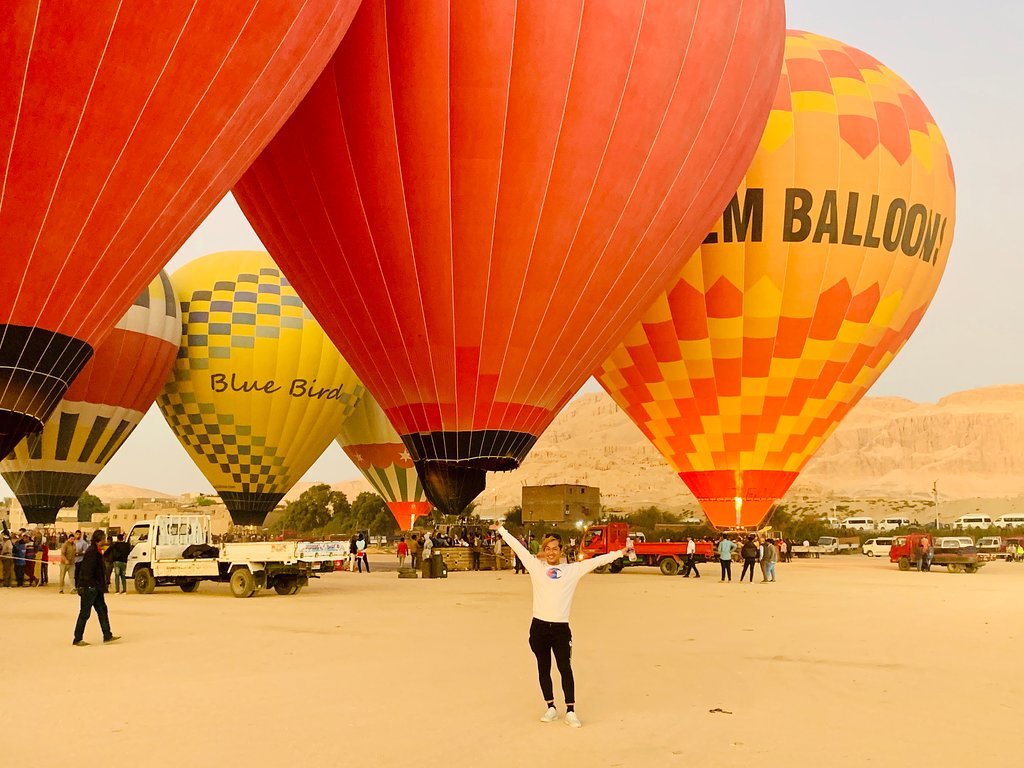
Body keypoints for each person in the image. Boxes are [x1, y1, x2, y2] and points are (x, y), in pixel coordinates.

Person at [496, 524, 626, 728]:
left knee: (565, 668)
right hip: (538, 627)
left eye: (555, 548)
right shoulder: (536, 567)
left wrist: (619, 552)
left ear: (561, 551)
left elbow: (598, 560)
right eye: (547, 549)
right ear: (544, 551)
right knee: (543, 668)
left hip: (560, 629)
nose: (551, 552)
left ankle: (571, 710)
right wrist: (501, 530)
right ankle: (550, 707)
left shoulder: (572, 570)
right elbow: (519, 549)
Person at [72, 529, 120, 647]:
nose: (105, 540)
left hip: (96, 588)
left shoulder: (96, 551)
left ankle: (107, 635)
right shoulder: (92, 552)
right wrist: (88, 586)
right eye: (104, 538)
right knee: (85, 613)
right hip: (90, 587)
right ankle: (77, 638)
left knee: (102, 610)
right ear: (100, 539)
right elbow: (87, 571)